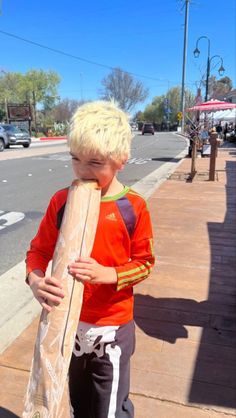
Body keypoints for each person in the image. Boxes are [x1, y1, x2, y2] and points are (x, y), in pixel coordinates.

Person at [25, 100, 155, 418]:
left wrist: (107, 274)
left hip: (112, 328)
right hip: (69, 324)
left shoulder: (132, 207)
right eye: (75, 159)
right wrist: (36, 280)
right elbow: (37, 252)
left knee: (109, 408)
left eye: (95, 163)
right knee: (77, 403)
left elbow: (145, 262)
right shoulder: (61, 201)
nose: (83, 171)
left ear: (121, 159)